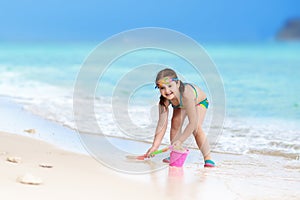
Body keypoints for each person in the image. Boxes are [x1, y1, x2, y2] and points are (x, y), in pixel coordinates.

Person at [145, 68, 215, 167]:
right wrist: (155, 146)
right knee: (175, 124)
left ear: (177, 84)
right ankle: (175, 153)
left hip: (198, 102)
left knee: (196, 128)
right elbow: (162, 124)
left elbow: (192, 123)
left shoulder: (187, 94)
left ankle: (208, 158)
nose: (167, 91)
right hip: (180, 105)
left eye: (170, 86)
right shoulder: (164, 101)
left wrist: (180, 141)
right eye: (162, 88)